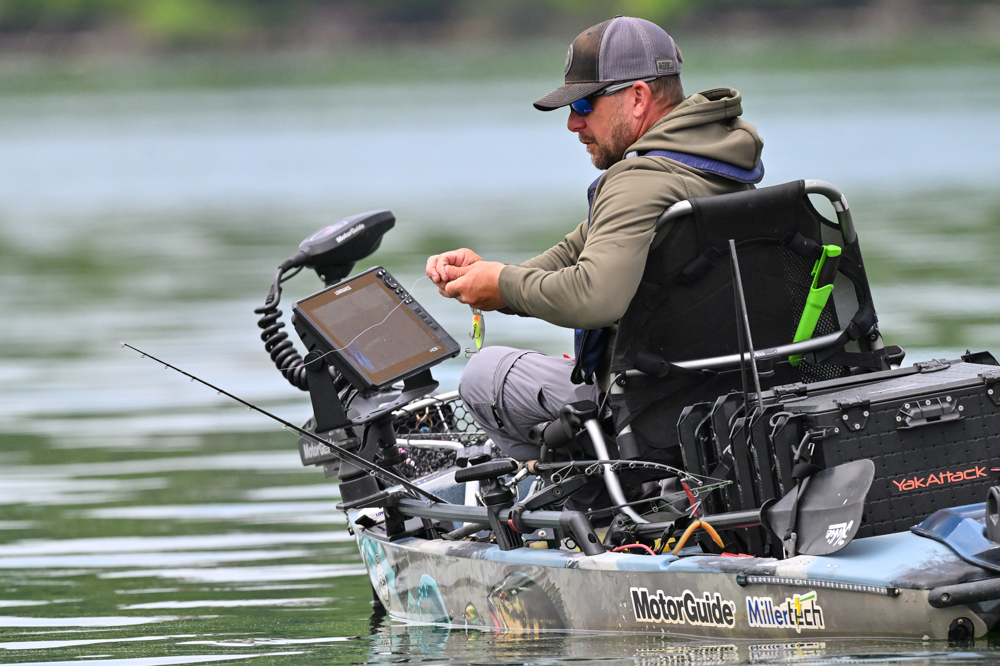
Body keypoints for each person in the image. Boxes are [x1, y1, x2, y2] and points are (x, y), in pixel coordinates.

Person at [425, 16, 764, 467]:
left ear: (638, 97)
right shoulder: (716, 163)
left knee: (483, 376)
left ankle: (594, 498)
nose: (572, 123)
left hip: (652, 411)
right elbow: (575, 252)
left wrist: (503, 284)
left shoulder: (639, 181)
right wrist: (488, 276)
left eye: (584, 104)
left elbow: (593, 297)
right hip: (732, 399)